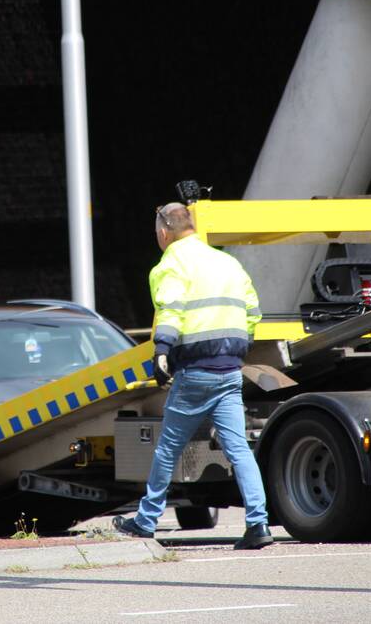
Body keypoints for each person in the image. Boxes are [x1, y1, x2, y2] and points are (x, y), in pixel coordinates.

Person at [113, 202, 274, 550]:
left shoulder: (170, 264)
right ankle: (258, 524)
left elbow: (171, 310)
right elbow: (253, 311)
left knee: (168, 448)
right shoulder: (227, 261)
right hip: (230, 370)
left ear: (163, 231)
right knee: (240, 451)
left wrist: (161, 352)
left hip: (196, 373)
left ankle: (145, 521)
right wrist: (238, 345)